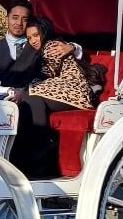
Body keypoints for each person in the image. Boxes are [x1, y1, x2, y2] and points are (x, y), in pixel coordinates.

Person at [10, 16, 106, 178]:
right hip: (58, 87)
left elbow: (47, 71)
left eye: (36, 35)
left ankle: (38, 152)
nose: (33, 40)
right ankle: (36, 153)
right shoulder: (38, 51)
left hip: (73, 89)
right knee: (30, 97)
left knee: (30, 95)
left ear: (44, 32)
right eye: (29, 37)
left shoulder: (52, 46)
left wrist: (24, 86)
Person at [0, 0, 74, 101]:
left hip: (36, 96)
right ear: (6, 19)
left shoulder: (38, 40)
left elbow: (58, 43)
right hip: (8, 100)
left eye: (24, 19)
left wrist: (72, 47)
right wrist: (8, 93)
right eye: (15, 17)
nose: (19, 23)